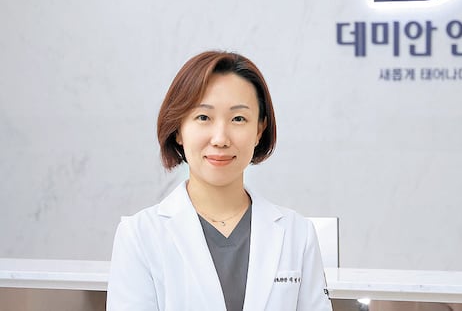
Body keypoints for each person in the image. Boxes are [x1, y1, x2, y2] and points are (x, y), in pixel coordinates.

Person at [107, 51, 332, 311]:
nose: (220, 139)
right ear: (178, 129)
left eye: (238, 119)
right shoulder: (139, 236)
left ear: (259, 130)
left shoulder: (298, 233)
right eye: (203, 117)